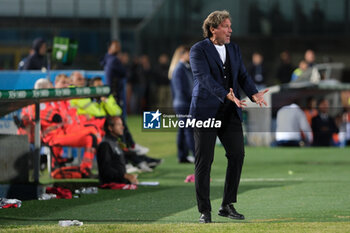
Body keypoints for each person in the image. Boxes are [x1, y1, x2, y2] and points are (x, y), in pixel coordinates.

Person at [189, 10, 268, 223]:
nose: (230, 30)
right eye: (226, 26)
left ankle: (227, 204)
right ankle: (205, 211)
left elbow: (242, 74)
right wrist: (225, 94)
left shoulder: (234, 49)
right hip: (205, 111)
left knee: (237, 155)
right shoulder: (198, 50)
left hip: (229, 112)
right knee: (204, 161)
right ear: (213, 29)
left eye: (230, 26)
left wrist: (253, 92)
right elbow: (203, 78)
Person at [168, 45, 195, 163]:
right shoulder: (180, 69)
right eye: (189, 54)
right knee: (189, 129)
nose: (191, 56)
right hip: (184, 104)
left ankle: (182, 156)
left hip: (182, 103)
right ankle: (197, 155)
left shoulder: (185, 68)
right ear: (182, 55)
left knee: (183, 129)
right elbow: (181, 90)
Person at [97, 116, 139, 184]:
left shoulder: (115, 142)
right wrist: (124, 175)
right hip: (111, 185)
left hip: (120, 182)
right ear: (110, 128)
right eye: (119, 125)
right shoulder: (105, 145)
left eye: (122, 124)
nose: (122, 127)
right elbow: (105, 171)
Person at [100, 40, 128, 116]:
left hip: (108, 90)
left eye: (119, 46)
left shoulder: (106, 58)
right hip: (115, 91)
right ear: (110, 47)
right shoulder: (114, 60)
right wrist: (123, 63)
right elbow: (124, 73)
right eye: (116, 46)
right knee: (117, 113)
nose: (118, 48)